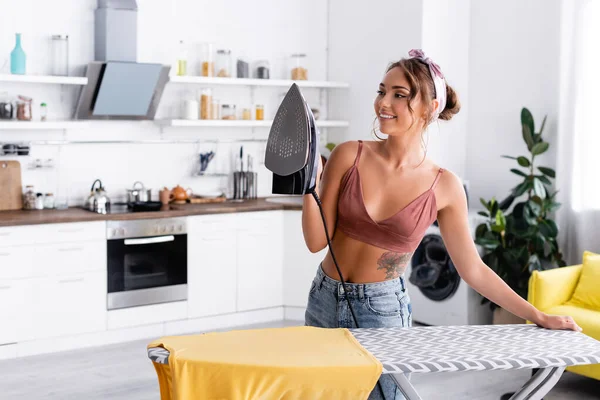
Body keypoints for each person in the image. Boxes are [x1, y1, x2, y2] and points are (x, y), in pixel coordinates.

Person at [301, 49, 582, 400]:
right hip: (324, 297)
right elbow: (315, 241)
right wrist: (306, 184)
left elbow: (473, 269)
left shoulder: (443, 185)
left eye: (399, 95)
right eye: (381, 91)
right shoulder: (348, 154)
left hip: (382, 310)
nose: (383, 102)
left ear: (430, 107)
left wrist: (537, 315)